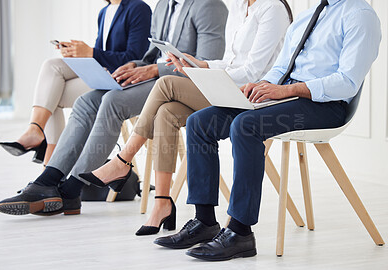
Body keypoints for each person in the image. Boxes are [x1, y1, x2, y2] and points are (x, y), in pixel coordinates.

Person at [153, 0, 382, 261]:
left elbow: (348, 82)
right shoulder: (308, 16)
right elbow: (280, 68)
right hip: (285, 97)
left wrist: (289, 90)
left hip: (325, 105)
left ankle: (240, 232)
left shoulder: (360, 15)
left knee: (247, 125)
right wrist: (259, 88)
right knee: (200, 122)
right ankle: (204, 222)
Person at [79, 0, 293, 236]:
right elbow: (233, 62)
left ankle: (123, 160)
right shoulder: (240, 6)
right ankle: (163, 202)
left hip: (252, 95)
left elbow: (253, 72)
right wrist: (201, 65)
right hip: (228, 87)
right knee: (166, 112)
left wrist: (207, 74)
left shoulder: (272, 8)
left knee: (165, 83)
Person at [0, 0, 228, 216]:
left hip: (182, 84)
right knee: (86, 101)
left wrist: (154, 70)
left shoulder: (209, 5)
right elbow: (150, 57)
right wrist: (133, 67)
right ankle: (49, 179)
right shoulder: (164, 5)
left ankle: (73, 188)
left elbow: (206, 62)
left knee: (112, 102)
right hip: (153, 78)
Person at [0, 0, 152, 165]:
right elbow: (100, 55)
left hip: (122, 80)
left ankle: (49, 167)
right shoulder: (104, 12)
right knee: (51, 67)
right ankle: (36, 131)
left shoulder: (138, 8)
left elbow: (137, 58)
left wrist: (90, 52)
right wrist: (78, 53)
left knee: (53, 94)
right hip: (103, 73)